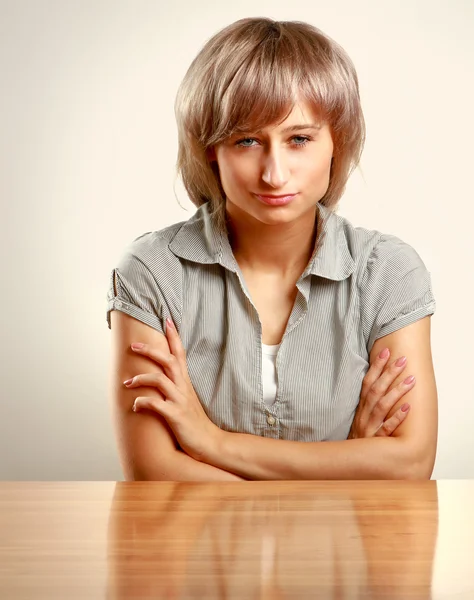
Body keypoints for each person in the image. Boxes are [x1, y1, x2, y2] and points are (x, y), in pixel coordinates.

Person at [106, 17, 438, 481]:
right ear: (210, 149)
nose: (274, 173)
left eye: (299, 139)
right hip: (195, 557)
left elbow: (409, 465)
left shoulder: (388, 274)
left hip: (348, 557)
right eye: (247, 140)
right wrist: (348, 464)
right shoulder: (153, 273)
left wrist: (209, 441)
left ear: (336, 143)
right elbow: (154, 473)